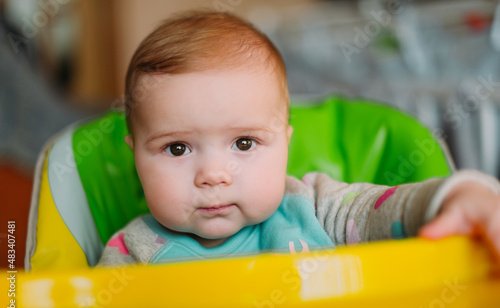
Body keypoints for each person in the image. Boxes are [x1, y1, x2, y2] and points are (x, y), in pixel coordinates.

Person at [97, 10, 500, 267]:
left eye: (243, 143)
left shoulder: (315, 210)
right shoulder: (132, 253)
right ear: (136, 157)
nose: (214, 174)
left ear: (286, 143)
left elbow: (388, 210)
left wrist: (457, 196)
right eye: (178, 148)